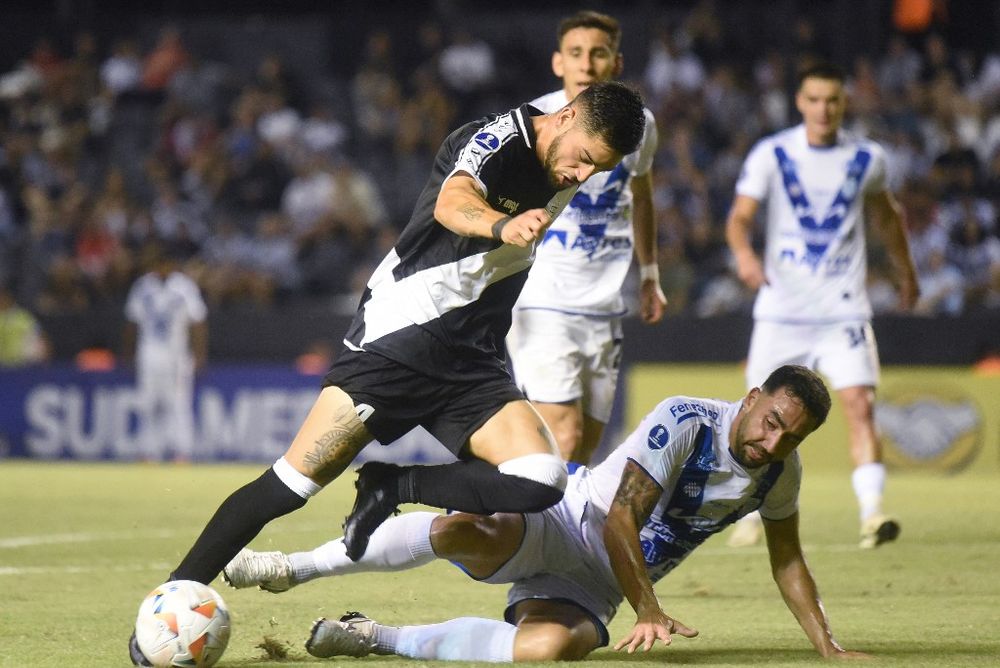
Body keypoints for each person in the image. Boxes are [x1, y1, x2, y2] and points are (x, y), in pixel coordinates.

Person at [129, 81, 646, 665]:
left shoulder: (578, 135)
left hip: (470, 361)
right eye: (583, 157)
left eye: (597, 169)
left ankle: (392, 485)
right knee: (289, 487)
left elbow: (616, 104)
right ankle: (167, 599)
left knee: (541, 479)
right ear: (567, 115)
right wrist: (502, 227)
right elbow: (454, 202)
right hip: (398, 342)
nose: (581, 174)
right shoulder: (494, 142)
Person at [223, 365, 868, 662]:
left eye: (793, 438)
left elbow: (787, 558)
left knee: (545, 651)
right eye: (773, 423)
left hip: (594, 585)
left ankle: (375, 638)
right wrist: (648, 606)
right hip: (569, 518)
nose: (774, 443)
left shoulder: (779, 474)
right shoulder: (687, 419)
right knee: (460, 529)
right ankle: (293, 566)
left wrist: (828, 647)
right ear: (753, 399)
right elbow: (620, 519)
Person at [724, 62, 919, 550]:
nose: (824, 109)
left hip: (843, 310)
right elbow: (739, 218)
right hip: (781, 311)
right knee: (757, 414)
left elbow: (887, 219)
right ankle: (749, 512)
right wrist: (745, 256)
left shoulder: (867, 158)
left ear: (843, 102)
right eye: (814, 99)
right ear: (800, 102)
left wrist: (906, 271)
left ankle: (873, 513)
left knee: (860, 405)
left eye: (832, 100)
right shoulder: (772, 154)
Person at [507, 11, 666, 466]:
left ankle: (530, 525)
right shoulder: (536, 120)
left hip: (605, 306)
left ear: (616, 63)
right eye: (576, 53)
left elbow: (642, 194)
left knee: (584, 449)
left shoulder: (641, 126)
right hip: (541, 300)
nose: (587, 64)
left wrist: (650, 274)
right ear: (559, 62)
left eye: (599, 53)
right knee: (564, 433)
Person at [123, 241, 208, 462]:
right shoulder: (143, 286)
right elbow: (132, 322)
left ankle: (181, 452)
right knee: (147, 403)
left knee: (179, 403)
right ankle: (148, 452)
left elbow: (198, 321)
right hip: (149, 353)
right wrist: (130, 353)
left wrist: (198, 354)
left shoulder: (184, 287)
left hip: (177, 354)